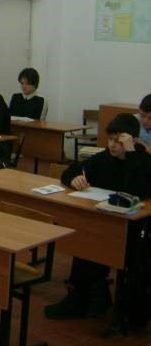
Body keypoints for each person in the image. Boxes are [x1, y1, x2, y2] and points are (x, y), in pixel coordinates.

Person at [44, 113, 151, 320]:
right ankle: (85, 296)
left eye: (118, 141)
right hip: (102, 222)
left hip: (133, 230)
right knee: (85, 235)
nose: (112, 145)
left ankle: (96, 297)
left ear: (133, 141)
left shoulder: (143, 162)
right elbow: (70, 171)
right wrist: (74, 179)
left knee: (93, 237)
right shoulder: (103, 158)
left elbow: (137, 190)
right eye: (110, 139)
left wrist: (131, 153)